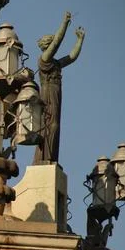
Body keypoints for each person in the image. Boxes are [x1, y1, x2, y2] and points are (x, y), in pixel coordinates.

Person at [33, 11, 85, 163]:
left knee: (56, 125)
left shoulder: (55, 63)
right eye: (51, 43)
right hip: (48, 94)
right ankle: (45, 157)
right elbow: (57, 42)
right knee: (51, 124)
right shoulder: (44, 60)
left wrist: (80, 40)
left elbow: (71, 57)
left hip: (56, 94)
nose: (53, 45)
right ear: (46, 46)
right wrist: (65, 23)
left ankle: (51, 157)